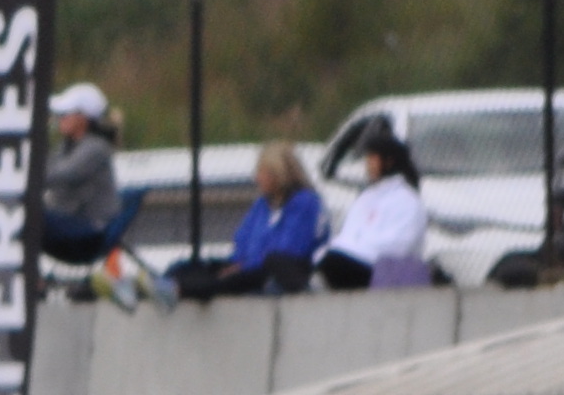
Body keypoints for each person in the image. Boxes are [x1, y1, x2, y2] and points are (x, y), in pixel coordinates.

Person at [31, 82, 161, 303]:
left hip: (90, 232)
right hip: (71, 228)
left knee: (31, 215)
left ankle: (35, 284)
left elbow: (63, 175)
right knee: (23, 214)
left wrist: (26, 171)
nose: (59, 117)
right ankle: (31, 281)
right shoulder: (64, 148)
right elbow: (46, 173)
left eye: (65, 113)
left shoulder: (96, 148)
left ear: (83, 118)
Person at [172, 143, 324, 300]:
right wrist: (237, 264)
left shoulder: (305, 203)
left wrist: (244, 267)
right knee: (196, 267)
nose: (257, 178)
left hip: (275, 272)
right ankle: (171, 281)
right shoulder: (262, 204)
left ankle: (183, 290)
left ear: (278, 174)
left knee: (233, 281)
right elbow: (244, 238)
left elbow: (288, 250)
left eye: (262, 172)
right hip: (248, 266)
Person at [322, 122, 434, 288]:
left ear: (388, 162)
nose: (367, 165)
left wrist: (359, 252)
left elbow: (400, 246)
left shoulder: (408, 201)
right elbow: (349, 236)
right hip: (353, 263)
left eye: (372, 159)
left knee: (334, 263)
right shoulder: (366, 197)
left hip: (384, 271)